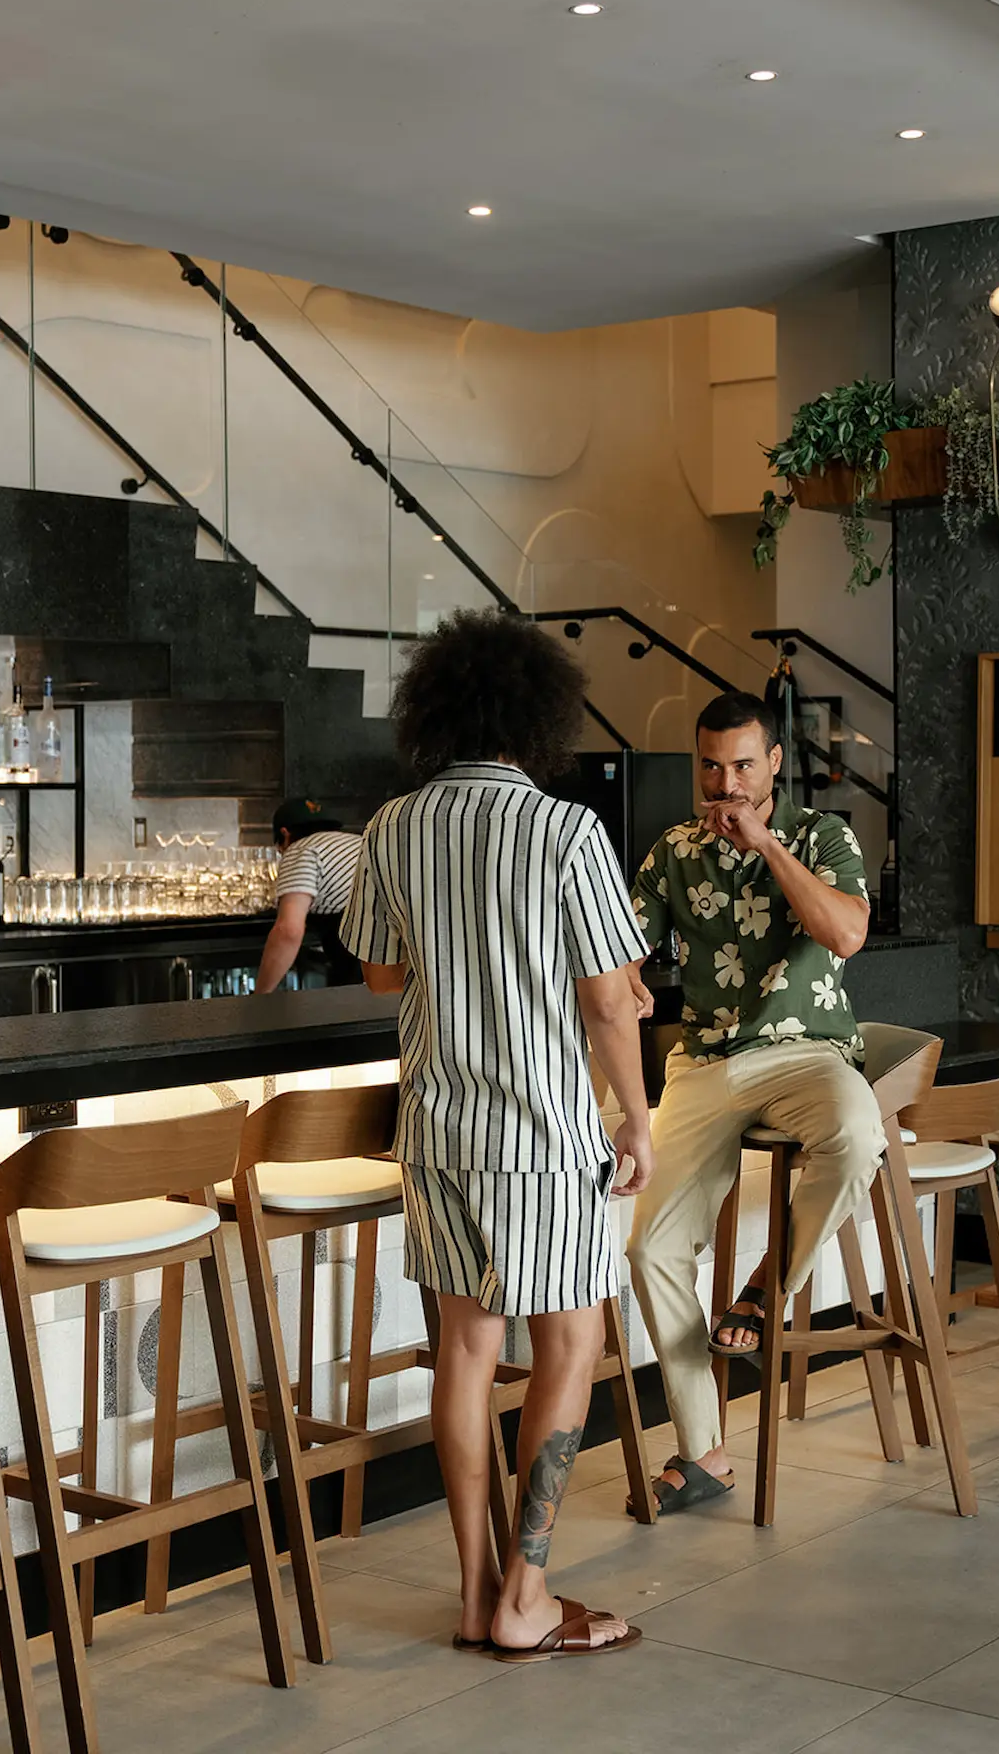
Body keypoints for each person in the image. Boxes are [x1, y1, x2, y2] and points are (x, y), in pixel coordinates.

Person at [340, 609, 654, 1664]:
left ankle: (477, 1595)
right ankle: (529, 1592)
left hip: (436, 1133)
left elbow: (383, 974)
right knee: (573, 1343)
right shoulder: (567, 832)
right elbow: (612, 1001)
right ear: (537, 716)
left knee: (466, 1354)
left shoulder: (392, 826)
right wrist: (639, 1123)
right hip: (544, 1139)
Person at [624, 689, 880, 1515]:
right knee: (650, 1247)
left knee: (855, 1131)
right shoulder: (673, 851)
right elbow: (624, 948)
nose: (724, 781)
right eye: (710, 765)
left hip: (806, 1053)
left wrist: (767, 845)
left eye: (741, 764)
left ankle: (768, 1287)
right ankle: (702, 1453)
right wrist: (620, 982)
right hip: (703, 1062)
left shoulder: (822, 835)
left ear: (774, 763)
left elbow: (843, 934)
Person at [255, 797, 364, 992]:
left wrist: (261, 995)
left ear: (285, 834)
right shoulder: (360, 841)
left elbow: (288, 931)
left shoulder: (301, 850)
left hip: (361, 968)